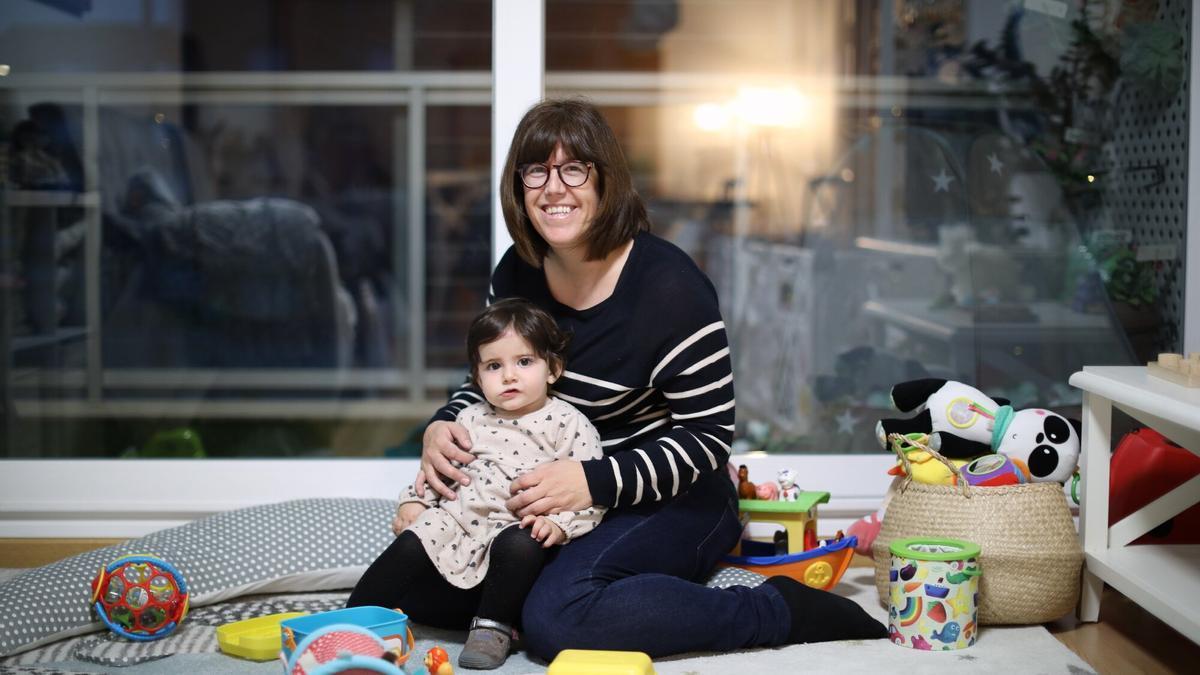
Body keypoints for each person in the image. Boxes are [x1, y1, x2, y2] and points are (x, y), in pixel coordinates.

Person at [413, 98, 886, 660]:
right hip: (562, 500)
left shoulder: (668, 289)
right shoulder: (517, 271)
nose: (553, 188)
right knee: (436, 588)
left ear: (605, 179)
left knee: (554, 622)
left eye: (574, 169)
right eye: (536, 170)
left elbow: (708, 437)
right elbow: (493, 381)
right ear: (518, 187)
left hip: (675, 496)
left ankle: (776, 609)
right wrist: (443, 424)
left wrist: (594, 480)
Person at [349, 298, 606, 670]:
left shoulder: (569, 424)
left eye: (524, 362)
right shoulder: (469, 418)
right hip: (459, 530)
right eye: (493, 366)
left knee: (521, 543)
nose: (509, 376)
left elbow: (590, 495)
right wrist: (413, 503)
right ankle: (353, 619)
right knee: (414, 538)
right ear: (477, 376)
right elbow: (439, 474)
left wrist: (559, 524)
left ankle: (492, 627)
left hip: (515, 542)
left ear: (553, 368)